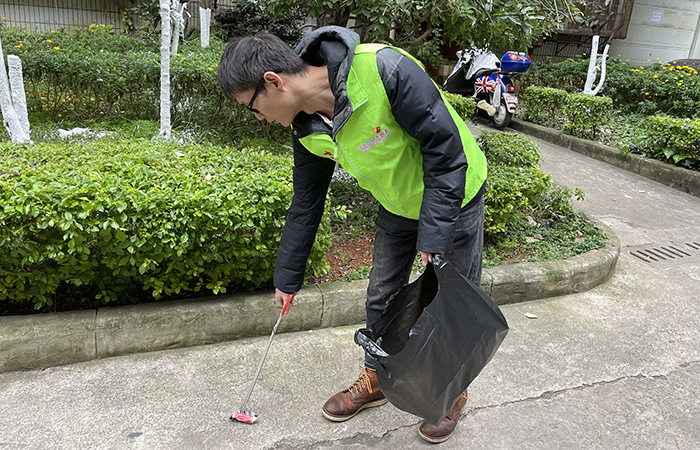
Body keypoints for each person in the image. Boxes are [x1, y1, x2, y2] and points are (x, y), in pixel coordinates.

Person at [218, 26, 487, 444]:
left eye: (252, 107)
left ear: (273, 82)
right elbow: (306, 202)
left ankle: (449, 392)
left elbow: (446, 153)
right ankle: (378, 377)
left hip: (455, 193)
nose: (258, 119)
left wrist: (433, 237)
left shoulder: (385, 69)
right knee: (381, 294)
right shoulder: (306, 127)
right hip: (398, 203)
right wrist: (287, 279)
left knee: (449, 300)